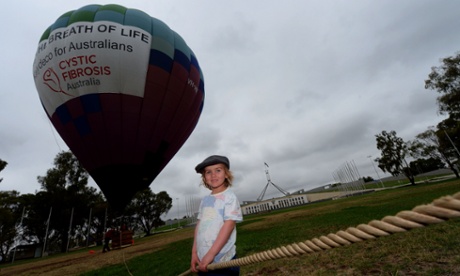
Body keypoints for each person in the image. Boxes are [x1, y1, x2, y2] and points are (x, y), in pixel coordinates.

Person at [190, 155, 243, 275]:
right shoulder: (205, 200)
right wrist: (194, 253)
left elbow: (229, 225)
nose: (213, 175)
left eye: (218, 170)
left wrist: (211, 255)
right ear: (204, 178)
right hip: (203, 260)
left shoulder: (230, 198)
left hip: (223, 261)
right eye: (208, 172)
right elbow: (199, 227)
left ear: (226, 174)